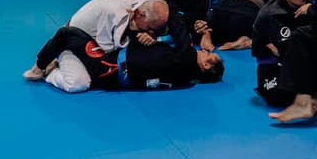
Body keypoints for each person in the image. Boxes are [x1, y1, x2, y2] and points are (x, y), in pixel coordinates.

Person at [21, 25, 223, 93]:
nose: (203, 51)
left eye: (208, 54)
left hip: (109, 67)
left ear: (205, 64)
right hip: (115, 60)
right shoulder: (184, 75)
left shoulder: (186, 62)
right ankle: (60, 63)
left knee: (67, 33)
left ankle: (41, 68)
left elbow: (181, 32)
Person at [22, 0, 171, 82]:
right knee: (79, 83)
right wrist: (137, 39)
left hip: (95, 36)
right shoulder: (114, 14)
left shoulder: (144, 4)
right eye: (151, 26)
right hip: (75, 41)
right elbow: (106, 54)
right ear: (140, 15)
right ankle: (50, 70)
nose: (152, 30)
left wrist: (152, 36)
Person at [148, 0, 276, 50]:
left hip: (221, 11)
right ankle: (203, 33)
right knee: (200, 22)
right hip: (243, 20)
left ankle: (201, 31)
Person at [251, 0, 310, 108]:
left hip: (294, 62)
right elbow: (290, 52)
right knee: (279, 96)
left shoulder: (305, 6)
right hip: (272, 69)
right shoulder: (272, 14)